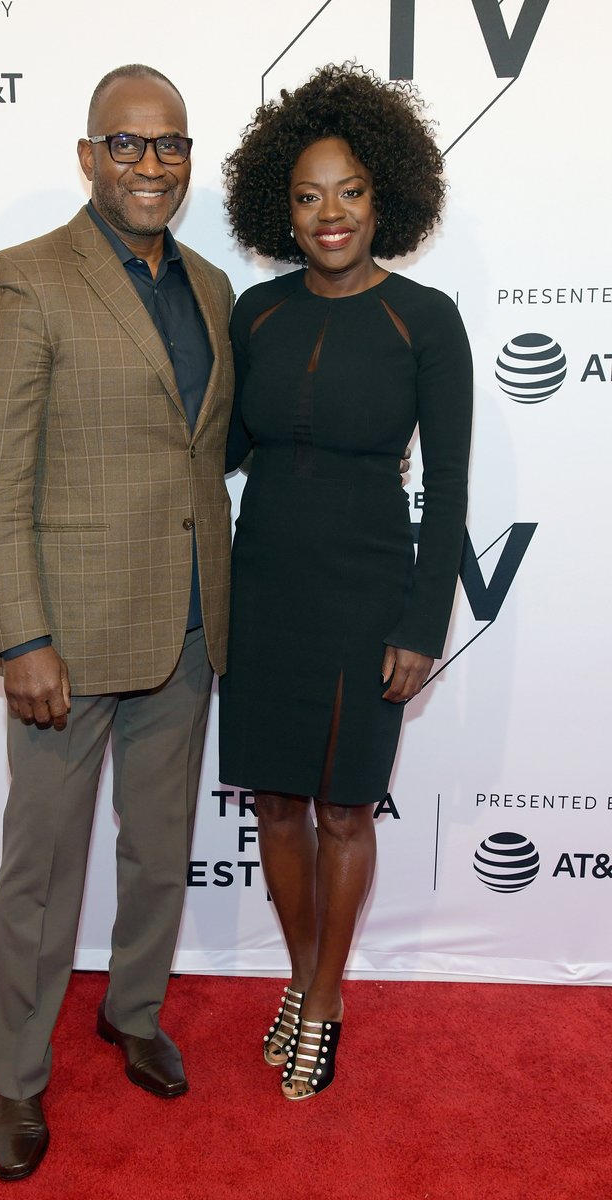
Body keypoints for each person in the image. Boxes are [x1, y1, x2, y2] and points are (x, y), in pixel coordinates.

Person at [0, 64, 234, 1180]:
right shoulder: (25, 280)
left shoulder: (211, 287)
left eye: (168, 145)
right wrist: (19, 637)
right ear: (87, 157)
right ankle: (16, 1080)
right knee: (42, 872)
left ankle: (133, 1010)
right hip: (64, 640)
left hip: (187, 622)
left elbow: (198, 452)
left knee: (159, 851)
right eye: (126, 145)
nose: (150, 165)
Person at [219, 63, 472, 1100]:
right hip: (263, 584)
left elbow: (450, 490)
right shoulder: (257, 314)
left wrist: (421, 625)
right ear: (281, 207)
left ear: (386, 199)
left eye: (351, 192)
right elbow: (221, 449)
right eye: (308, 195)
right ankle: (298, 977)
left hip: (369, 589)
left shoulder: (426, 320)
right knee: (276, 805)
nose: (330, 214)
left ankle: (323, 998)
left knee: (342, 814)